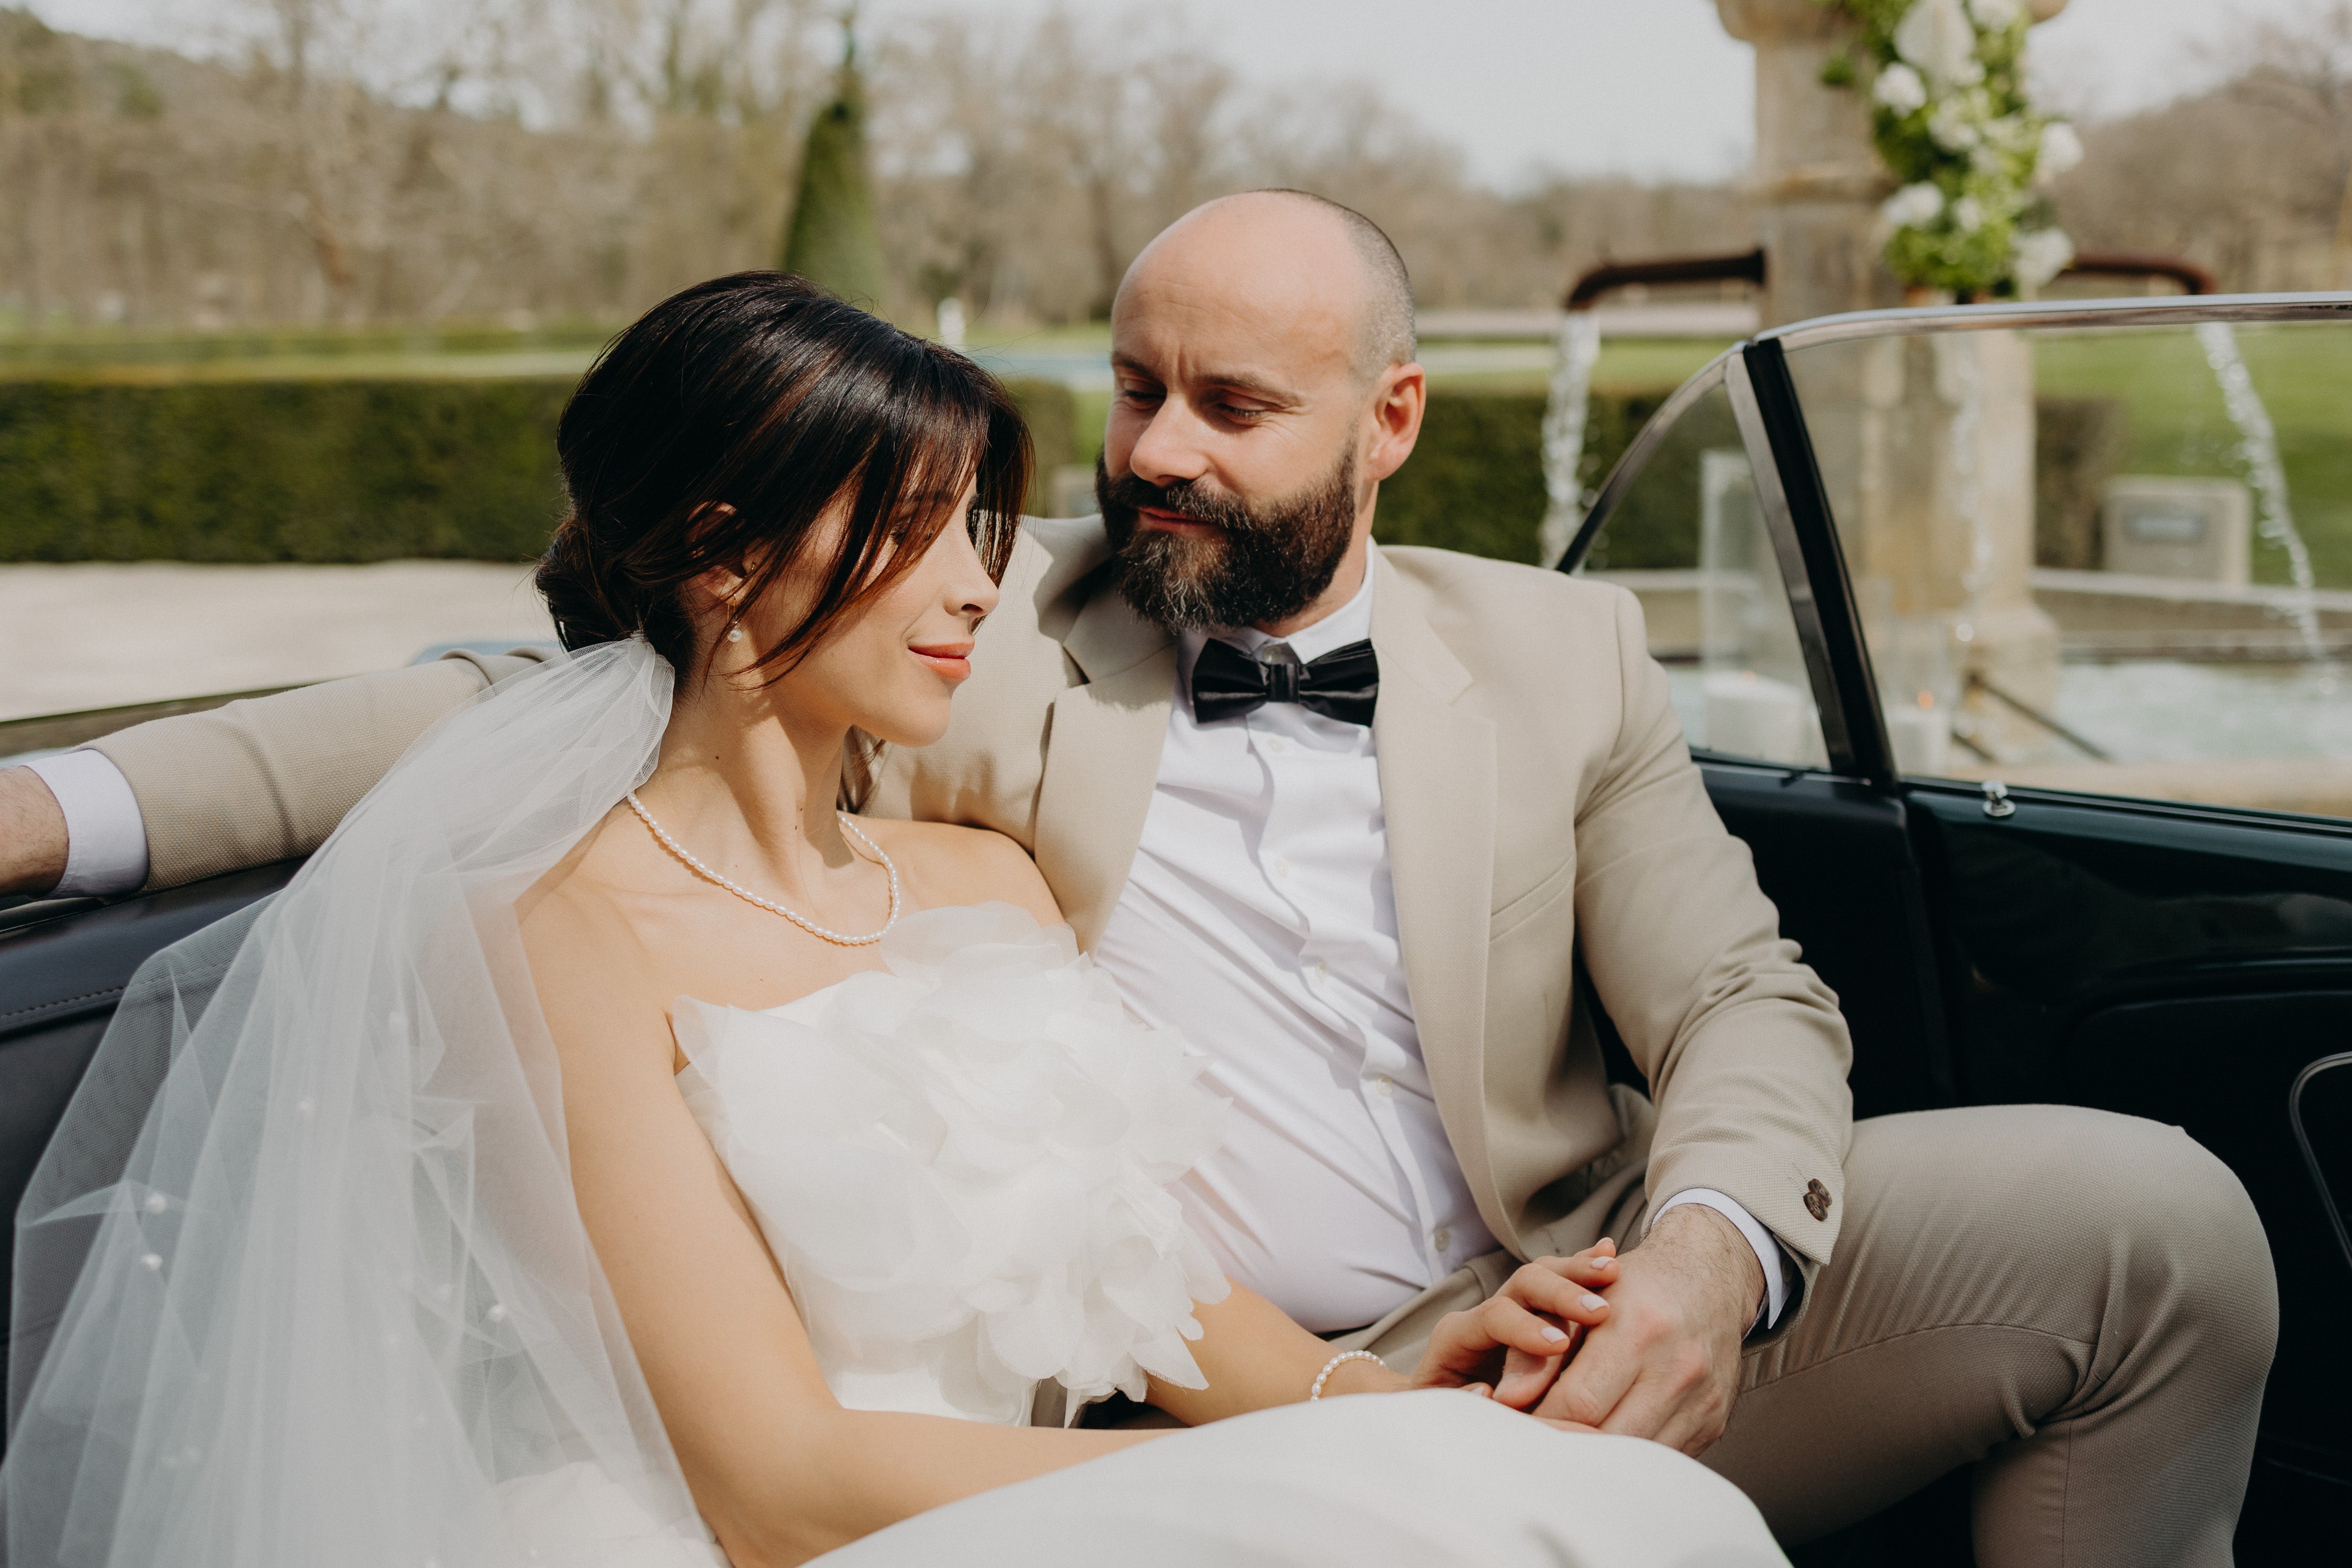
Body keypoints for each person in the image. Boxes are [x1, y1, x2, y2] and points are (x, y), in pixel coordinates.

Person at [0, 192, 2276, 1564]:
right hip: (1144, 1408)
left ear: (1391, 419)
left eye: (1235, 406)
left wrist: (1697, 1267)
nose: (1159, 454)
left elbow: (1749, 1007)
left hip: (1548, 1301)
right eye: (1133, 386)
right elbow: (526, 684)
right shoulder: (977, 635)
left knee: (2160, 1222)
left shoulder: (1561, 651)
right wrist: (56, 816)